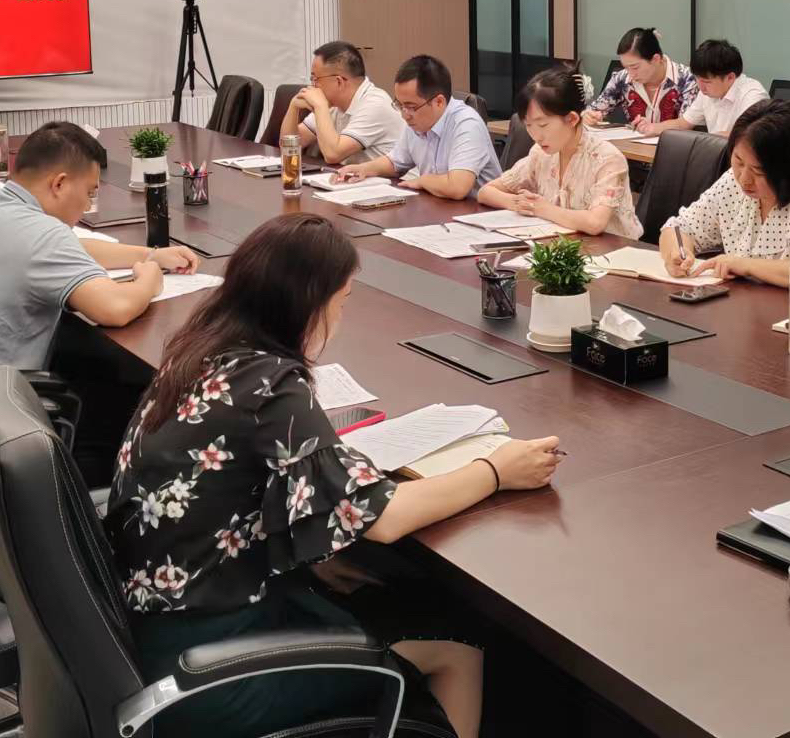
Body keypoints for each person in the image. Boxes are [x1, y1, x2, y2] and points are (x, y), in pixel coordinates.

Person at [106, 214, 562, 738]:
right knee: (460, 646)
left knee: (390, 596)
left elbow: (229, 488)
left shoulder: (201, 350)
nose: (341, 317)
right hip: (212, 670)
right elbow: (384, 518)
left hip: (158, 629)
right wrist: (495, 471)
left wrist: (314, 558)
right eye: (342, 302)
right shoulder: (269, 386)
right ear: (308, 302)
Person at [0, 121, 200, 381]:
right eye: (89, 192)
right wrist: (149, 279)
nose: (87, 205)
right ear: (60, 184)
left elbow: (70, 248)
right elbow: (115, 308)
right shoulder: (42, 235)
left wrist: (149, 255)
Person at [658, 100, 790, 294]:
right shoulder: (732, 182)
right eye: (738, 161)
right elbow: (679, 228)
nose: (744, 179)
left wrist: (745, 265)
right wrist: (677, 253)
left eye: (759, 170)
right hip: (747, 306)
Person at [476, 68, 642, 238]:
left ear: (572, 119)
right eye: (528, 125)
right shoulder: (541, 153)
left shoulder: (607, 158)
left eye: (543, 125)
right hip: (563, 243)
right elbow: (486, 192)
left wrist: (542, 209)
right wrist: (519, 203)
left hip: (612, 248)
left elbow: (595, 223)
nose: (536, 136)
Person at [334, 55, 501, 200]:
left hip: (479, 215)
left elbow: (457, 187)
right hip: (440, 207)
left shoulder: (466, 124)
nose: (404, 114)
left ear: (439, 102)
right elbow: (396, 162)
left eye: (411, 107)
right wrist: (364, 169)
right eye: (400, 105)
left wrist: (423, 180)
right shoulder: (417, 121)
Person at [281, 40, 405, 166]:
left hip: (390, 179)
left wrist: (320, 106)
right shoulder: (333, 104)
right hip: (353, 176)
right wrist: (293, 107)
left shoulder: (375, 104)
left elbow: (332, 155)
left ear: (339, 81)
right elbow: (290, 146)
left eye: (315, 79)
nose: (313, 85)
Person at [582, 28, 696, 134]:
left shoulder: (687, 78)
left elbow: (686, 123)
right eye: (626, 67)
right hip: (634, 146)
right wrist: (589, 116)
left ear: (656, 59)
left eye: (635, 67)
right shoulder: (621, 78)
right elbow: (596, 110)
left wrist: (654, 128)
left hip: (674, 147)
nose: (631, 75)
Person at [652, 39, 767, 138]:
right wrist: (652, 128)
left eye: (707, 82)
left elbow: (743, 136)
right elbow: (683, 123)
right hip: (715, 152)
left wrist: (700, 141)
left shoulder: (753, 95)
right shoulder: (707, 92)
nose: (701, 87)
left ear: (730, 77)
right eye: (697, 79)